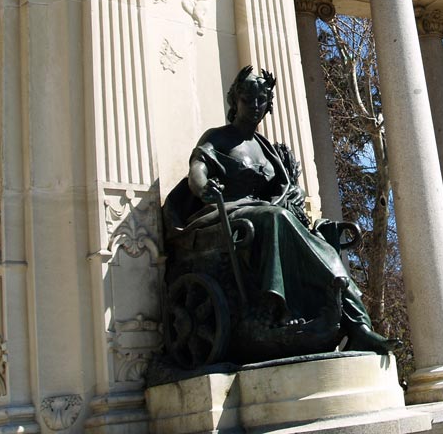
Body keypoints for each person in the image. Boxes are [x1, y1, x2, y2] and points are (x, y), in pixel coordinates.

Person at [164, 66, 395, 359]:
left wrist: (296, 192)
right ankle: (279, 309)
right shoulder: (219, 138)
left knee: (322, 235)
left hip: (265, 214)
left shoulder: (266, 148)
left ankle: (357, 323)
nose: (256, 106)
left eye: (262, 100)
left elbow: (284, 187)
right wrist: (204, 186)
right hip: (229, 213)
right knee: (277, 218)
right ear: (235, 100)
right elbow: (196, 169)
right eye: (249, 99)